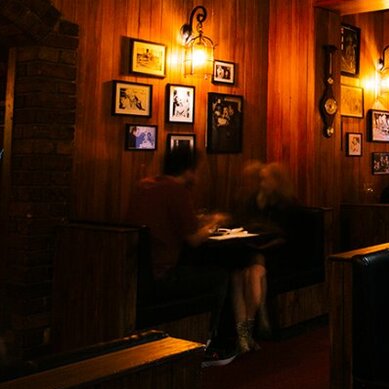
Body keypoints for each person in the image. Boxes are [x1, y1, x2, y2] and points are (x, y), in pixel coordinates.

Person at [125, 147, 233, 366]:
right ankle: (209, 344)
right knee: (221, 276)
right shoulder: (176, 190)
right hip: (162, 276)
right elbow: (194, 238)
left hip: (134, 275)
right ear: (189, 170)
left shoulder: (145, 185)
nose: (198, 176)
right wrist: (215, 223)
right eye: (197, 171)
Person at [236, 161, 300, 351]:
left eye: (264, 179)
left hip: (280, 254)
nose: (261, 183)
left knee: (252, 272)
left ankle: (247, 331)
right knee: (246, 273)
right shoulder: (255, 200)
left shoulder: (288, 204)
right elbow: (243, 222)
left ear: (276, 181)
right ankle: (259, 316)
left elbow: (288, 238)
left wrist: (263, 244)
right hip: (257, 250)